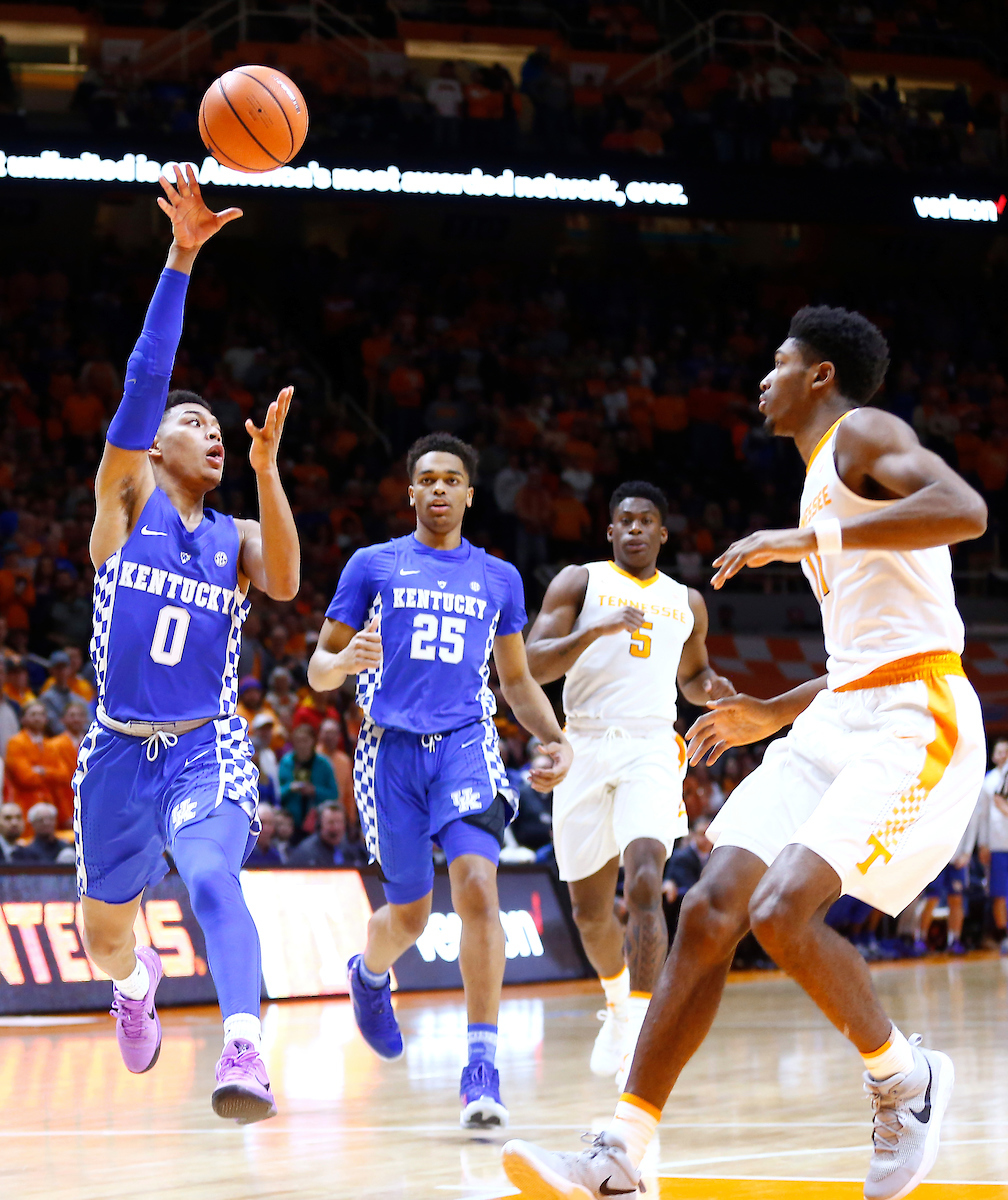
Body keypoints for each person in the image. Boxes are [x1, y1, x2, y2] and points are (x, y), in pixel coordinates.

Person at [503, 305, 988, 1200]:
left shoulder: (863, 433)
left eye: (779, 361)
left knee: (780, 910)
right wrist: (772, 710)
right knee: (712, 906)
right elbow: (858, 663)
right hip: (844, 710)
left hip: (918, 715)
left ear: (819, 377)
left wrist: (810, 539)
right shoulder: (815, 478)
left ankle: (904, 1081)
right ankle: (624, 1150)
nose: (763, 377)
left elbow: (967, 510)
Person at [72, 165, 300, 1125]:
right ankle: (136, 987)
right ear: (154, 446)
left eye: (218, 427)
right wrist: (181, 258)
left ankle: (243, 1046)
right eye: (194, 423)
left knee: (212, 873)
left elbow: (285, 579)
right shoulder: (123, 506)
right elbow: (143, 381)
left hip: (204, 744)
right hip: (117, 748)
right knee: (103, 938)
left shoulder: (235, 537)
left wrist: (266, 470)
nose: (210, 432)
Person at [308, 431, 572, 1130]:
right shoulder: (373, 565)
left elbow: (515, 681)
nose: (440, 490)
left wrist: (554, 739)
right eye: (428, 478)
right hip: (389, 754)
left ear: (469, 494)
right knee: (411, 917)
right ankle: (369, 977)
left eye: (452, 479)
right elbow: (317, 668)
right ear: (411, 491)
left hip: (465, 745)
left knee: (479, 885)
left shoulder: (499, 577)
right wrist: (344, 663)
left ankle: (480, 1066)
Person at [524, 480, 735, 1086]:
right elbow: (533, 664)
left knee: (645, 881)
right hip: (584, 743)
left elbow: (691, 676)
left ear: (662, 534)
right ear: (610, 531)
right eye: (626, 521)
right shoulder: (579, 582)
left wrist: (710, 690)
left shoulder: (687, 601)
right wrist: (595, 631)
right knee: (590, 911)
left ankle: (640, 1032)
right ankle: (617, 1005)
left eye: (647, 520)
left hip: (650, 745)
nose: (636, 529)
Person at [5, 701, 63, 824]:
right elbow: (26, 778)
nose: (37, 718)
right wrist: (50, 774)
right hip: (25, 805)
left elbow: (63, 775)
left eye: (41, 714)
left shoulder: (51, 745)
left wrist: (42, 771)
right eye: (33, 714)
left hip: (50, 804)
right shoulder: (15, 743)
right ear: (23, 719)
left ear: (46, 719)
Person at [278, 721, 339, 831]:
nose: (302, 745)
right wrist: (290, 788)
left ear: (313, 742)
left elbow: (334, 794)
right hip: (290, 823)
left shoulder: (324, 764)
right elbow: (277, 793)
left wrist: (314, 791)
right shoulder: (286, 763)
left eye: (305, 740)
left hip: (317, 821)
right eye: (298, 741)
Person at [978, 736, 1008, 952]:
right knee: (999, 892)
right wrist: (983, 843)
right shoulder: (988, 782)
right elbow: (982, 816)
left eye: (1006, 751)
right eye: (999, 752)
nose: (1003, 755)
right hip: (997, 845)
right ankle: (1003, 934)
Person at [46, 699, 91, 828]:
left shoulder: (94, 744)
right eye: (72, 716)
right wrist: (64, 814)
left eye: (80, 715)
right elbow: (56, 782)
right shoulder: (53, 746)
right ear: (63, 720)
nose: (76, 719)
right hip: (64, 801)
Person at [287, 801, 368, 867]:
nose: (336, 828)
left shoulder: (353, 850)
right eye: (331, 823)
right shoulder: (306, 853)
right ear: (319, 825)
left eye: (339, 822)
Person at [244, 802, 283, 867]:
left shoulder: (276, 855)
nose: (266, 829)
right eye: (262, 822)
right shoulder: (242, 852)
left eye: (270, 823)